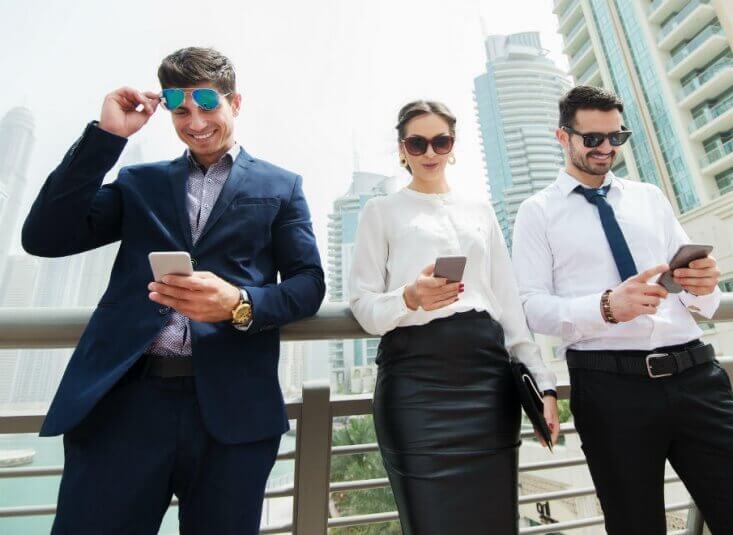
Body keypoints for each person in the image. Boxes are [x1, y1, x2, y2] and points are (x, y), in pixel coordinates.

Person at [21, 47, 325, 534]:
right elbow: (44, 237)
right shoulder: (140, 183)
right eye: (181, 110)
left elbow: (309, 284)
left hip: (231, 413)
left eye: (208, 106)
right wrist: (107, 137)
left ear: (236, 102)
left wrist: (240, 304)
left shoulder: (281, 186)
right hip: (126, 404)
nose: (196, 121)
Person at [511, 85, 733, 534]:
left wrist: (703, 284)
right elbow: (529, 306)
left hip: (697, 376)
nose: (606, 148)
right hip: (610, 388)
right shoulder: (536, 213)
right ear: (562, 137)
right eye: (593, 139)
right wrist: (606, 307)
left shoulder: (649, 197)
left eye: (617, 138)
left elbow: (699, 296)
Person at [348, 100, 559, 534]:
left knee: (496, 522)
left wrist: (544, 384)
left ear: (453, 145)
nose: (430, 152)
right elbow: (364, 306)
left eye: (440, 141)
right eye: (417, 142)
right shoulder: (381, 211)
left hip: (487, 380)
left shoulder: (480, 210)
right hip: (415, 384)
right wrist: (409, 297)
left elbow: (508, 304)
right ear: (402, 149)